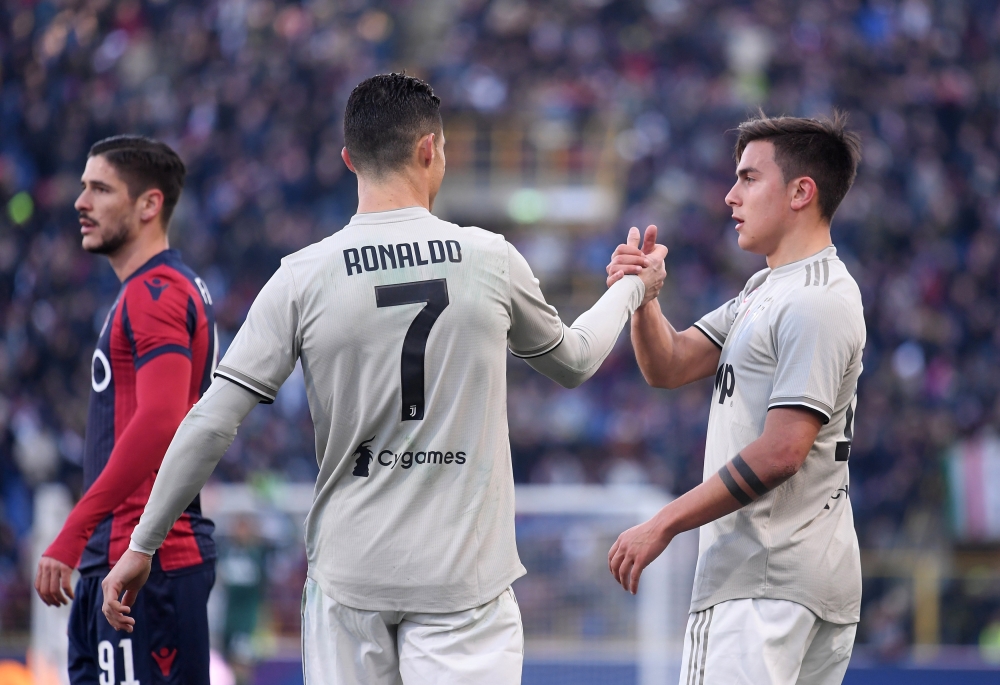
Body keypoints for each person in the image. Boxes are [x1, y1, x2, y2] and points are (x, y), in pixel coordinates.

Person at [100, 73, 667, 684]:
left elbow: (212, 420)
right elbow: (576, 360)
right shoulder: (489, 258)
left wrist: (142, 544)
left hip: (351, 581)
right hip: (463, 585)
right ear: (430, 149)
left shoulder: (301, 276)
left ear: (349, 159)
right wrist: (633, 287)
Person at [606, 113, 864, 685]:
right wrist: (646, 297)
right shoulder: (766, 290)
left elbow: (782, 452)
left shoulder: (814, 301)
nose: (730, 196)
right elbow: (669, 364)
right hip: (799, 580)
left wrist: (666, 522)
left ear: (801, 192)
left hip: (762, 578)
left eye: (748, 178)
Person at [34, 136, 217, 685]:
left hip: (143, 568)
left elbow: (162, 420)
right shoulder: (157, 288)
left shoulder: (155, 291)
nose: (80, 202)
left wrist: (74, 529)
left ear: (148, 205)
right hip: (123, 564)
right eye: (83, 186)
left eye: (100, 188)